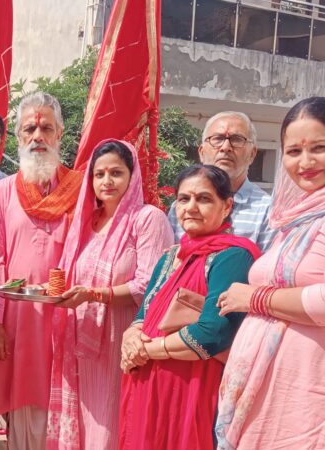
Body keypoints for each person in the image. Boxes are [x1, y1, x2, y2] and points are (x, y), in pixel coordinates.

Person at [117, 165, 261, 450]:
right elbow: (144, 313)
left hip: (194, 386)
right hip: (148, 383)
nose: (191, 207)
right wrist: (130, 337)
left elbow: (211, 333)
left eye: (204, 199)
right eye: (184, 199)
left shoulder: (233, 256)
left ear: (227, 205)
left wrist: (145, 350)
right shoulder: (172, 255)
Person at [47, 140, 173, 449]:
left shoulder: (148, 219)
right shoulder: (86, 222)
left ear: (133, 176)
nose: (106, 181)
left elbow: (150, 285)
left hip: (121, 340)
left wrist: (93, 294)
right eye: (99, 174)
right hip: (78, 340)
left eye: (116, 173)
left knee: (111, 427)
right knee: (82, 423)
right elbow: (72, 277)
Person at [215, 97, 325, 449]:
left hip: (306, 400)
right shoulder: (292, 219)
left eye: (319, 148)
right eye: (293, 151)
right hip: (266, 397)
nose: (305, 162)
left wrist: (255, 298)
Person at [0, 92, 84, 449]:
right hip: (19, 322)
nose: (37, 136)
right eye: (29, 129)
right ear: (19, 138)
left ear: (59, 134)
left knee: (67, 399)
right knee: (23, 406)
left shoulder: (82, 189)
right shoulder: (3, 192)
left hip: (68, 316)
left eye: (45, 128)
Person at [167, 112, 273, 250]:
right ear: (201, 152)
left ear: (252, 154)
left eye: (237, 139)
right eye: (218, 138)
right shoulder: (181, 208)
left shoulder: (268, 210)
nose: (225, 147)